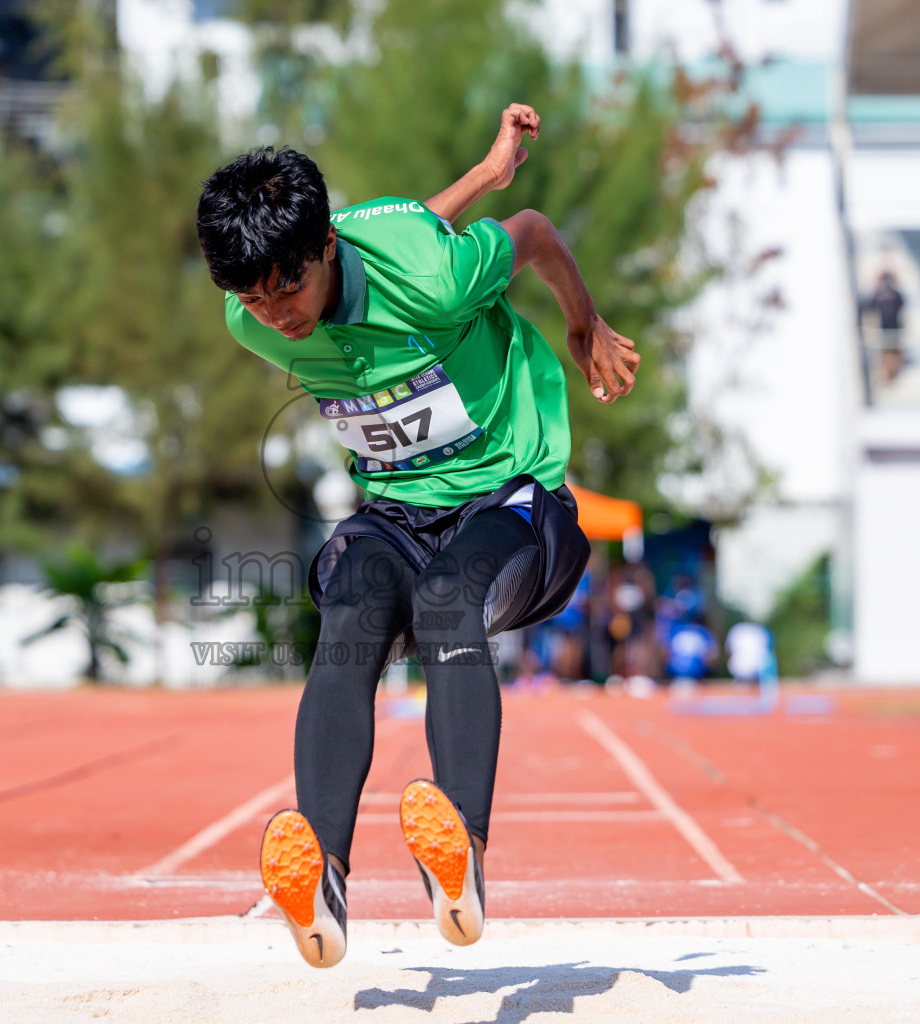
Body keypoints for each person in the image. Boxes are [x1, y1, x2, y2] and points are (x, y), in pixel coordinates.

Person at [196, 103, 640, 967]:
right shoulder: (251, 315)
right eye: (251, 296)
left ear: (324, 249)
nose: (276, 316)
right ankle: (321, 879)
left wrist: (583, 324)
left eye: (286, 289)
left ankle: (462, 856)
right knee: (353, 608)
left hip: (513, 503)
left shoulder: (434, 280)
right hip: (396, 512)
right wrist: (480, 175)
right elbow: (405, 231)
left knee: (446, 603)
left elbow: (534, 233)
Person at [863, 271, 906, 384]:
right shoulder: (879, 295)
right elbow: (868, 306)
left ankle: (890, 373)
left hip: (893, 331)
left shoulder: (896, 295)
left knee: (891, 353)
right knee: (886, 354)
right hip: (884, 331)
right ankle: (885, 374)